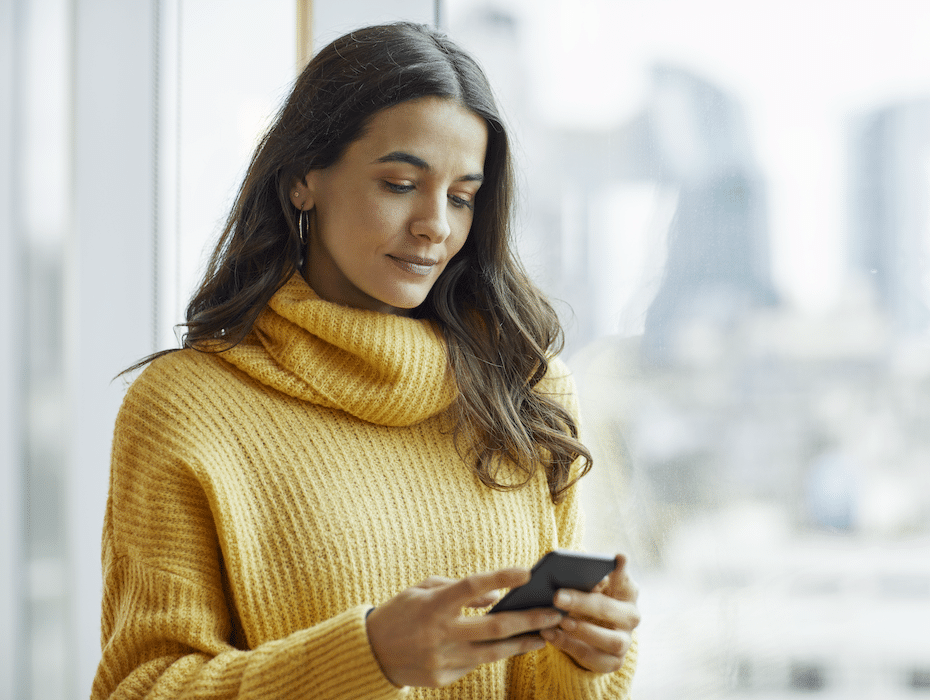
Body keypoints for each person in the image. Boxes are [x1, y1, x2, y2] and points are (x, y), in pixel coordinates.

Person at [91, 22, 639, 699]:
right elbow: (143, 689)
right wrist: (370, 657)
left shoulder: (520, 390)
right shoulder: (188, 405)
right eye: (401, 183)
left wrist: (587, 658)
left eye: (463, 196)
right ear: (302, 180)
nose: (437, 224)